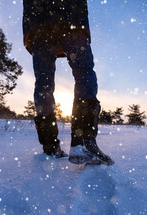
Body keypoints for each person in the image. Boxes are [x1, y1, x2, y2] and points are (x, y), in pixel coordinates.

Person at [22, 0, 114, 165]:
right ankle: (83, 141)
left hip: (37, 23)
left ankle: (50, 146)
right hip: (71, 16)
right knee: (83, 71)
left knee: (43, 84)